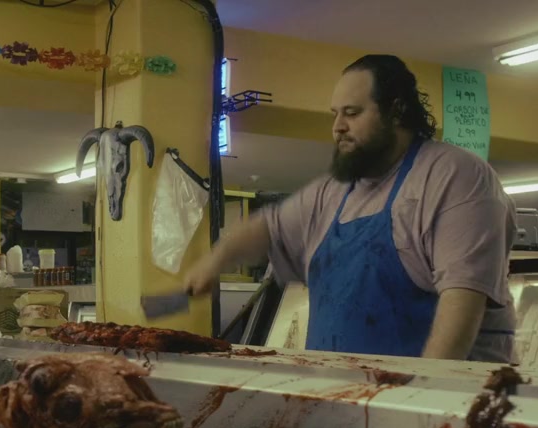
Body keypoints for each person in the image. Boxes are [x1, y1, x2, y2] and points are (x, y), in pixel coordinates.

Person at [187, 55, 517, 362]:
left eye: (352, 113)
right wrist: (214, 262)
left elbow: (462, 305)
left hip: (439, 395)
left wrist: (422, 395)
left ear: (396, 110)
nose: (338, 127)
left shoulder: (454, 176)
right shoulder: (334, 190)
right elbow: (267, 227)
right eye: (335, 114)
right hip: (343, 393)